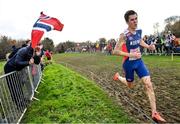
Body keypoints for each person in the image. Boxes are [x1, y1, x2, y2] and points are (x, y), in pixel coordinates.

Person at [112, 10, 166, 122]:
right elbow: (115, 51)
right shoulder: (124, 35)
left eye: (136, 18)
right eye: (132, 20)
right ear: (127, 22)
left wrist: (148, 46)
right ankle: (118, 77)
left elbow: (139, 40)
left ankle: (154, 113)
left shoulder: (139, 31)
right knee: (130, 85)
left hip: (139, 62)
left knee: (148, 84)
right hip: (128, 64)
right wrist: (131, 54)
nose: (135, 21)